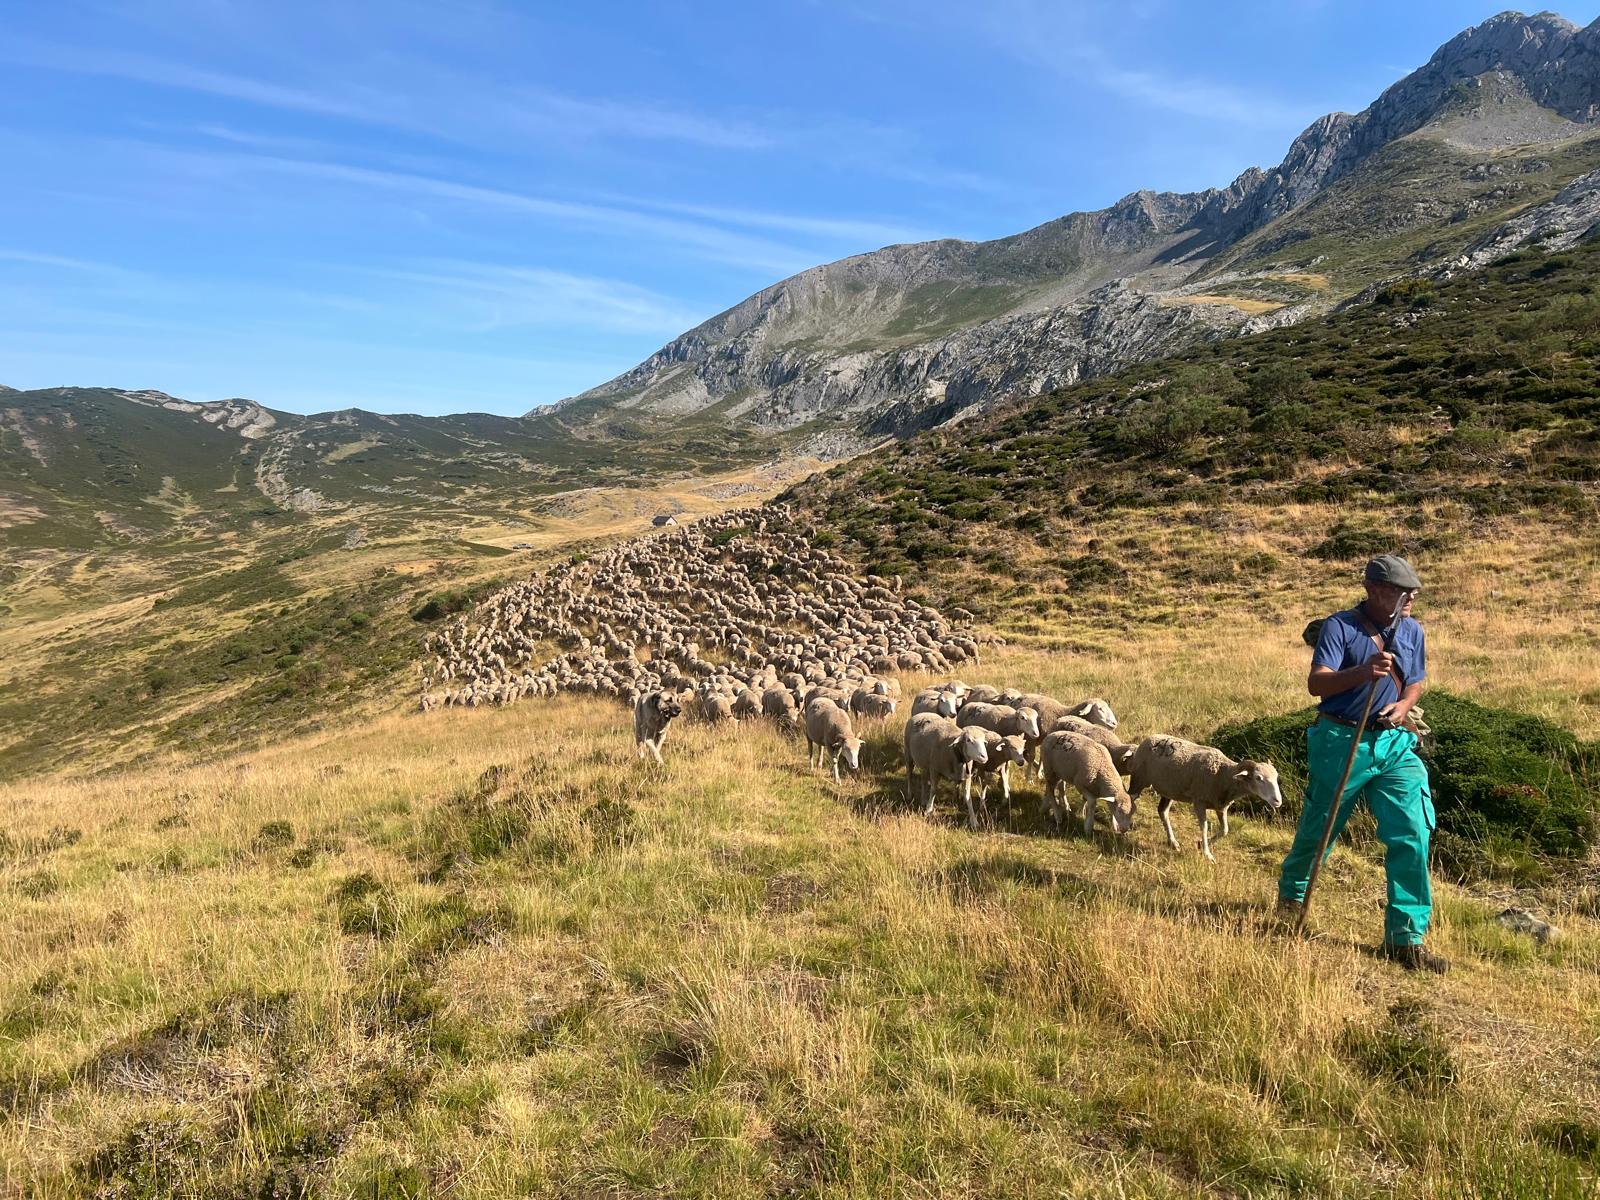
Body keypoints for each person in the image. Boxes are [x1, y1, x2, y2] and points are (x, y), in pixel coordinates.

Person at [1276, 554, 1446, 973]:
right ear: (1372, 590)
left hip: (1394, 744)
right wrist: (1363, 671)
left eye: (1412, 592)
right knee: (1321, 827)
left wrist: (1404, 705)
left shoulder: (1412, 630)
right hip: (1340, 739)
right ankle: (1292, 899)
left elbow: (1417, 680)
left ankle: (1406, 938)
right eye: (1398, 591)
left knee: (1413, 832)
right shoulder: (1340, 627)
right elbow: (1317, 683)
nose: (1409, 598)